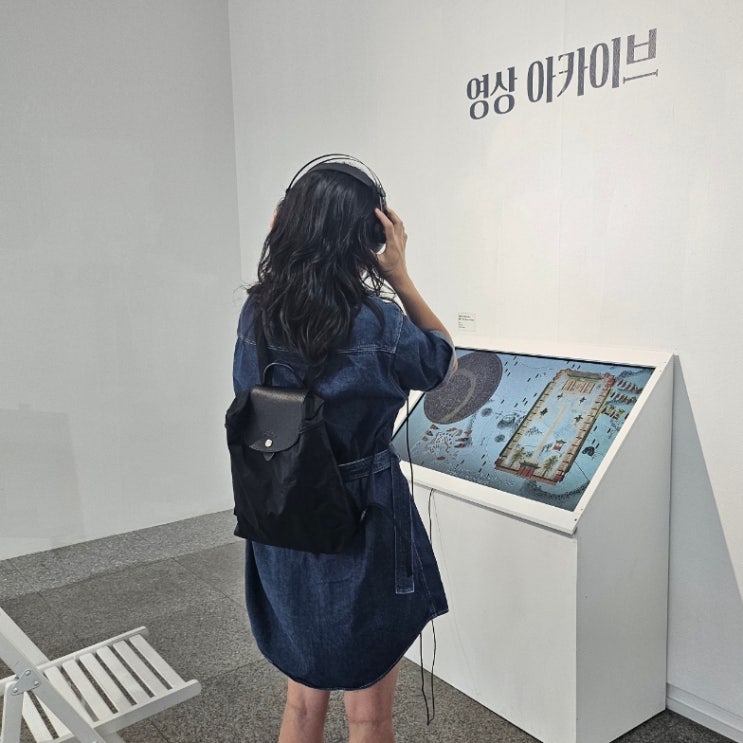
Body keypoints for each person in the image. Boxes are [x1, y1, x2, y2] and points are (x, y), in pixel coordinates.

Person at [231, 156, 455, 743]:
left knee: (302, 705)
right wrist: (400, 276)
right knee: (368, 716)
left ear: (284, 221)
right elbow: (440, 363)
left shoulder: (257, 312)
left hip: (282, 512)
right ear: (370, 239)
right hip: (364, 519)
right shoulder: (379, 323)